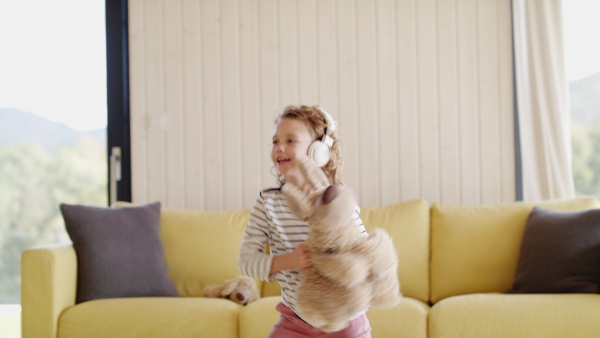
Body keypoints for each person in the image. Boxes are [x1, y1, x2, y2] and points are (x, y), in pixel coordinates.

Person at [237, 105, 371, 337]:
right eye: (275, 141)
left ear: (318, 151)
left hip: (345, 319)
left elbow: (364, 253)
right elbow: (247, 261)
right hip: (295, 320)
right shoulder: (267, 202)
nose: (279, 147)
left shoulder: (336, 200)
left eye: (291, 141)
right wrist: (289, 261)